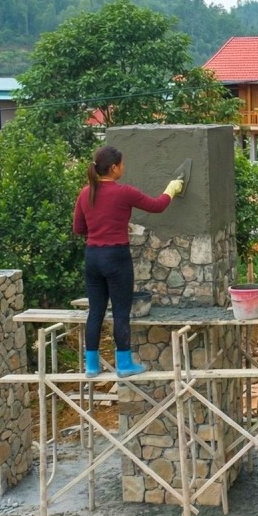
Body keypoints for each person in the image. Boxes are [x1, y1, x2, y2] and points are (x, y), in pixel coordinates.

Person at [72, 145, 185, 377]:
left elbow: (78, 228)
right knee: (120, 311)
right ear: (114, 168)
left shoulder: (85, 193)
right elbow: (157, 206)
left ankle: (91, 366)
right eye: (122, 164)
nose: (124, 167)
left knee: (95, 311)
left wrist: (100, 227)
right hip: (116, 258)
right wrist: (171, 189)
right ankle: (123, 364)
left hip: (93, 257)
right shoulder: (124, 192)